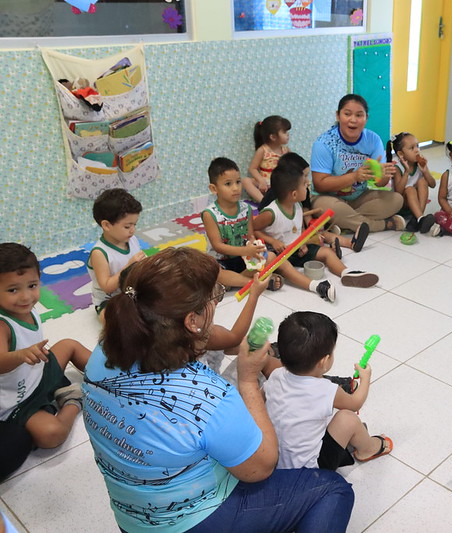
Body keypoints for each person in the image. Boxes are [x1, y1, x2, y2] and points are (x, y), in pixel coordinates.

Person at [83, 247, 354, 532]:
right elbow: (261, 467)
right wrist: (248, 378)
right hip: (194, 522)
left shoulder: (102, 353)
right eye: (216, 297)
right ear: (192, 321)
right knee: (333, 490)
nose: (216, 304)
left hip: (132, 521)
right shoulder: (207, 393)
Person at [265, 311, 392, 470]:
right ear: (324, 361)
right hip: (309, 470)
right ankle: (368, 449)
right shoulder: (325, 390)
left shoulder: (275, 375)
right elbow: (355, 404)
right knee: (347, 419)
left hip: (273, 458)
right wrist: (366, 378)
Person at [0, 243, 90, 462]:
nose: (25, 297)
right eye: (13, 290)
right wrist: (20, 355)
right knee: (51, 435)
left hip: (39, 371)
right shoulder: (2, 325)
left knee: (69, 344)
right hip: (20, 400)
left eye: (32, 285)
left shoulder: (27, 309)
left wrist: (33, 355)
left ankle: (114, 374)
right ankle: (73, 400)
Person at [253, 155, 379, 303]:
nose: (308, 185)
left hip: (295, 249)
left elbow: (296, 231)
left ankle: (346, 273)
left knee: (326, 252)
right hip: (277, 254)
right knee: (285, 266)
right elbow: (253, 230)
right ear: (294, 194)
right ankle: (316, 286)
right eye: (304, 184)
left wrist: (303, 244)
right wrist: (272, 241)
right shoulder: (271, 213)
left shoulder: (298, 206)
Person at [310, 94, 404, 233]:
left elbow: (379, 183)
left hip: (359, 196)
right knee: (331, 209)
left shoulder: (373, 140)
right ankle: (384, 225)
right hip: (327, 197)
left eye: (359, 115)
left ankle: (345, 223)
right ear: (338, 115)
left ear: (366, 118)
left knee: (397, 200)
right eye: (347, 114)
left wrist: (383, 175)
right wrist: (354, 177)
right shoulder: (324, 143)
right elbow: (320, 184)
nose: (353, 120)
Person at [259, 153, 371, 259]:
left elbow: (305, 208)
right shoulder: (275, 196)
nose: (308, 182)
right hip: (282, 235)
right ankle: (328, 249)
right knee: (313, 239)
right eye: (305, 178)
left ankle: (351, 243)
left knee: (320, 233)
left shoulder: (304, 191)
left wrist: (310, 223)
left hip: (297, 228)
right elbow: (261, 217)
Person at [201, 157, 282, 290]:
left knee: (271, 257)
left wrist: (255, 247)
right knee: (213, 273)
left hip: (244, 258)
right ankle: (253, 283)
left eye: (238, 182)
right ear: (214, 188)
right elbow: (217, 246)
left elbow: (250, 236)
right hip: (221, 262)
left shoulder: (246, 209)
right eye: (228, 184)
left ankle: (234, 282)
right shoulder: (210, 214)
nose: (235, 188)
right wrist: (245, 250)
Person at [87, 188, 146, 317]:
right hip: (109, 301)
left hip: (133, 292)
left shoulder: (132, 240)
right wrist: (129, 267)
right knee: (118, 322)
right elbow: (107, 286)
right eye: (127, 226)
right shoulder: (99, 253)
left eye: (134, 225)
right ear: (107, 225)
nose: (133, 230)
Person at [387, 131, 436, 233]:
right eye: (412, 148)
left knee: (423, 181)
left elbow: (433, 184)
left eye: (417, 146)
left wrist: (425, 171)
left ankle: (418, 218)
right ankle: (420, 219)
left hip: (414, 207)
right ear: (401, 154)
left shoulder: (419, 165)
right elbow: (398, 193)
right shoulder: (398, 168)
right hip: (401, 206)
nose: (417, 150)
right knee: (410, 189)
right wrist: (407, 172)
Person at [245, 115, 291, 204]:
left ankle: (278, 202)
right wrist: (261, 181)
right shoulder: (262, 150)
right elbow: (252, 168)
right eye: (285, 132)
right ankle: (264, 203)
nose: (288, 135)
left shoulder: (286, 150)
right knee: (246, 181)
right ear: (273, 137)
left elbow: (293, 165)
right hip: (266, 184)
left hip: (281, 184)